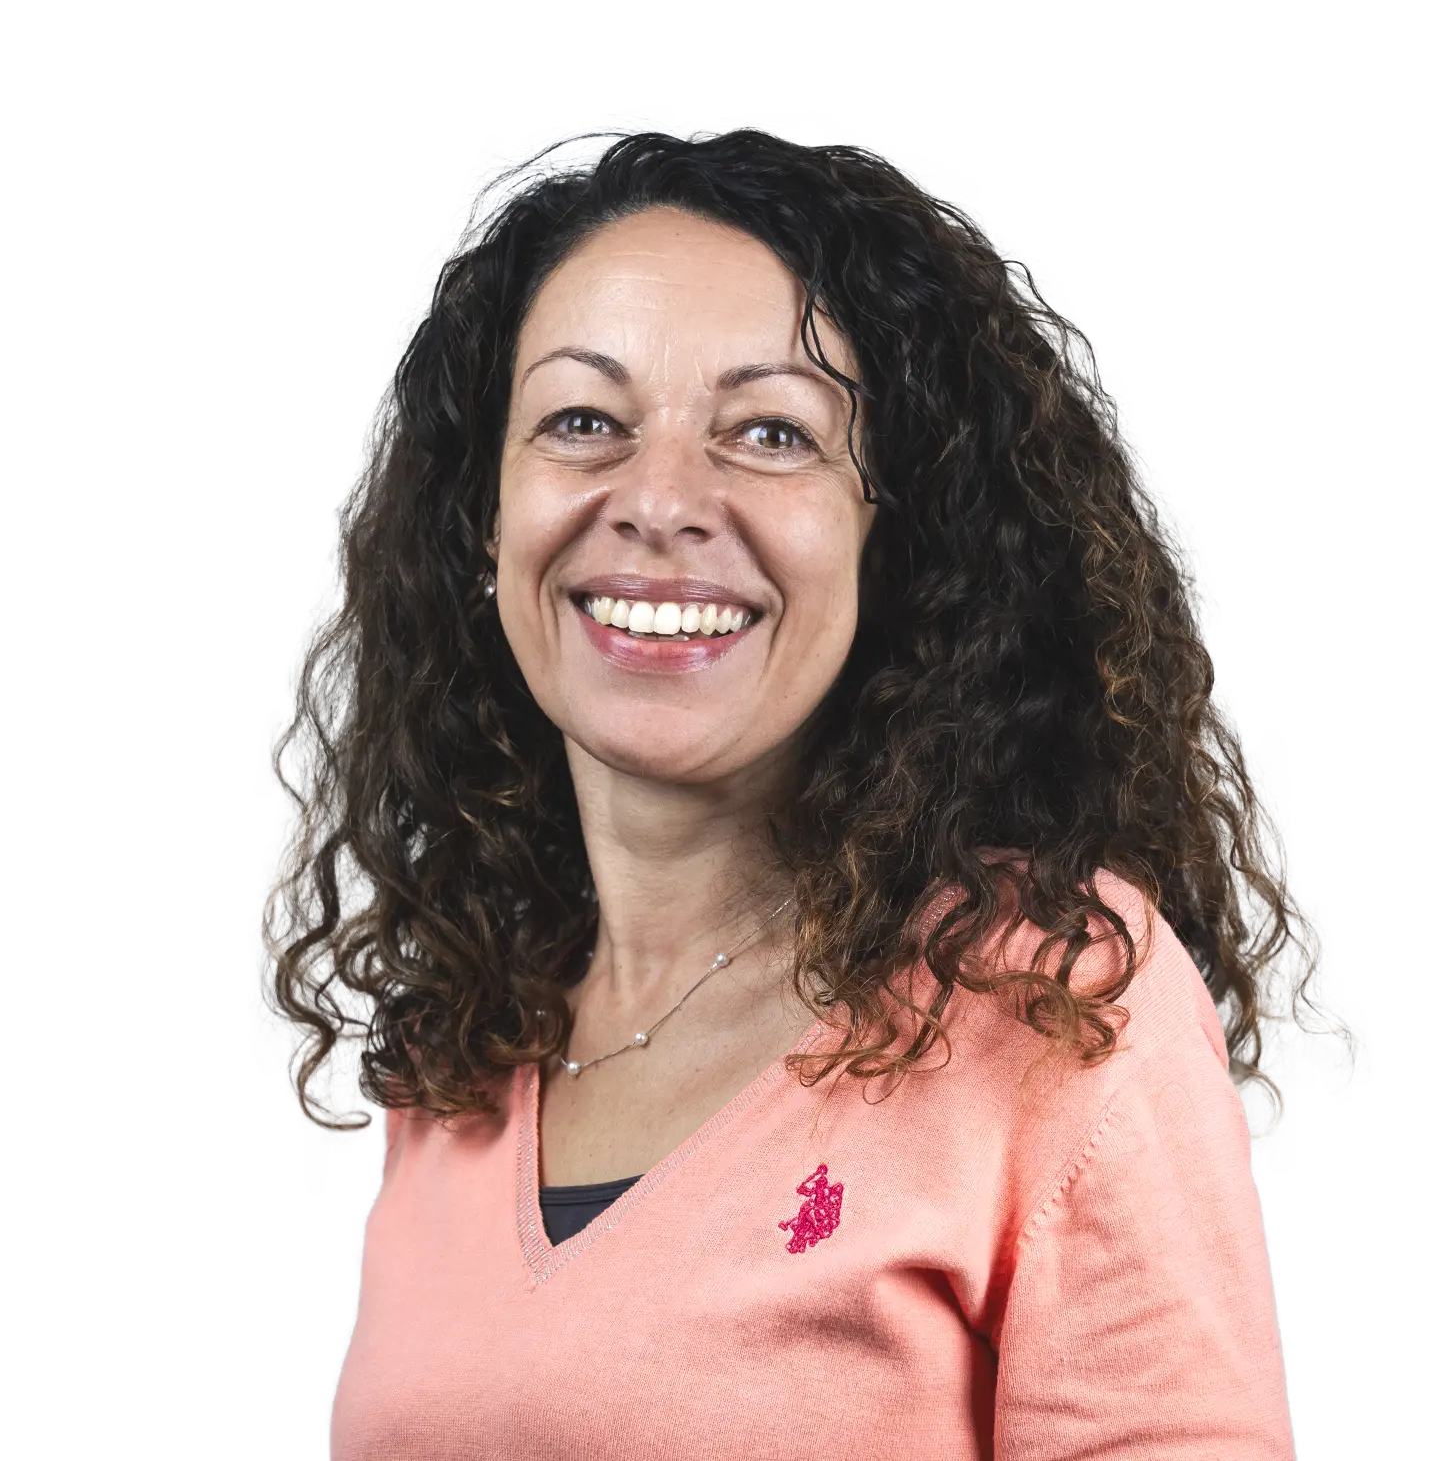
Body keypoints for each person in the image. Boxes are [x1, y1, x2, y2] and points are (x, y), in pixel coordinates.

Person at [264, 126, 1349, 1459]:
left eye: (771, 433)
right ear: (482, 518)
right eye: (583, 421)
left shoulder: (1055, 998)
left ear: (897, 540)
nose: (660, 501)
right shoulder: (463, 1052)